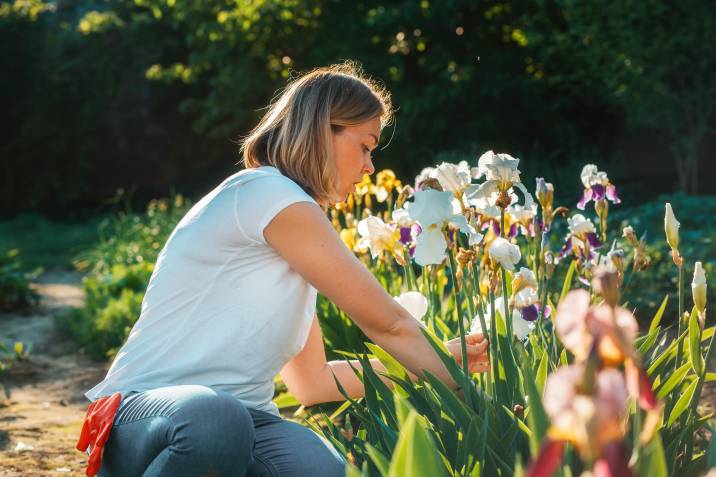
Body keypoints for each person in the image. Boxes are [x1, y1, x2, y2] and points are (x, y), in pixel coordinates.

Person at [79, 61, 489, 477]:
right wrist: (458, 379)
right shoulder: (267, 193)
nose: (369, 167)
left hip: (241, 421)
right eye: (365, 146)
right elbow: (388, 323)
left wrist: (440, 361)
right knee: (215, 421)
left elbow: (311, 384)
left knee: (319, 469)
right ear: (320, 130)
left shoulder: (293, 238)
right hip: (145, 412)